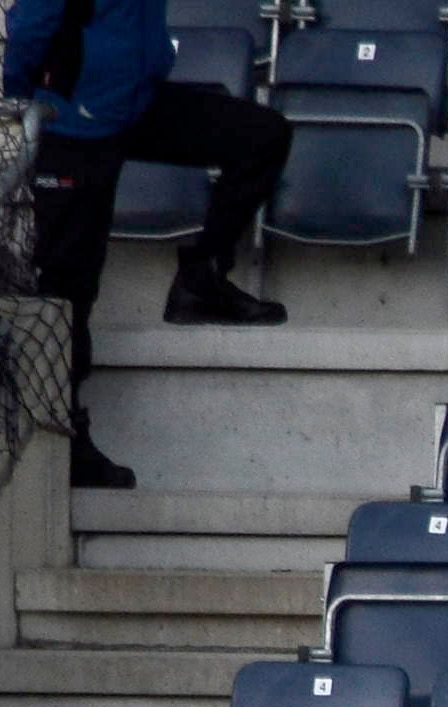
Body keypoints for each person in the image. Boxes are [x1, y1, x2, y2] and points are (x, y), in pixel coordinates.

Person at [5, 0, 290, 490]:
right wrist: (18, 101)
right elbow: (31, 24)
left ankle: (201, 280)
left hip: (136, 102)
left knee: (261, 136)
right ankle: (68, 438)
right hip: (72, 122)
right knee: (70, 285)